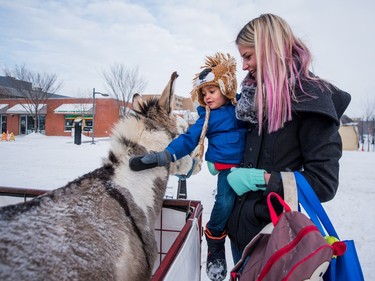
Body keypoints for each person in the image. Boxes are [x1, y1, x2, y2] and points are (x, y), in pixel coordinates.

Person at [226, 13, 351, 264]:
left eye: (248, 56)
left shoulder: (311, 98)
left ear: (268, 49)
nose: (243, 66)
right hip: (239, 234)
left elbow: (323, 183)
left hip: (276, 241)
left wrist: (260, 179)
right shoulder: (251, 99)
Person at [129, 52, 247, 281]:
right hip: (227, 170)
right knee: (224, 203)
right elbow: (189, 139)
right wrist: (166, 155)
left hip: (250, 168)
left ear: (226, 87)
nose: (207, 97)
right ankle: (214, 239)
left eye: (212, 91)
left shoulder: (242, 107)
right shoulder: (207, 118)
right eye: (204, 93)